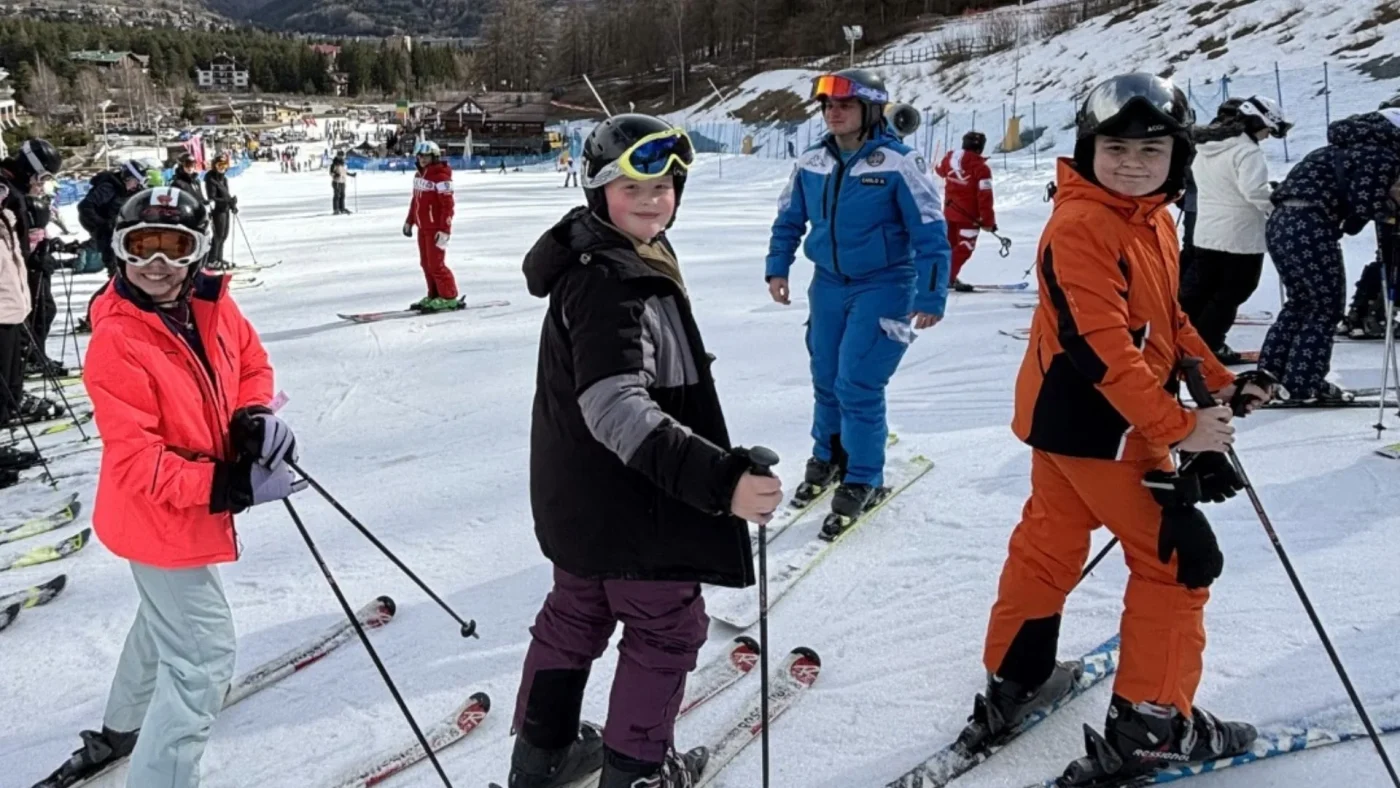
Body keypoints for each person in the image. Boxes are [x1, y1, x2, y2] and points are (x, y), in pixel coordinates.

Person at [962, 73, 1277, 786]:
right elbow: (1105, 346)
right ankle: (1154, 728)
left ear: (1178, 157)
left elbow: (1166, 325)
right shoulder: (1082, 227)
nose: (1133, 161)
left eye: (1152, 148)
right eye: (1116, 147)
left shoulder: (1150, 218)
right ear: (1087, 148)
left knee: (1050, 541)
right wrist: (1179, 426)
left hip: (1067, 423)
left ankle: (1017, 678)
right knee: (1177, 562)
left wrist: (1218, 379)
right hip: (1104, 428)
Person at [510, 113, 781, 788]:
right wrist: (723, 482)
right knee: (666, 632)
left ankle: (539, 761)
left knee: (574, 617)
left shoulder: (598, 258)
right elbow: (615, 406)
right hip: (639, 511)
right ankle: (634, 774)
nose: (653, 198)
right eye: (633, 184)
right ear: (599, 189)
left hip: (579, 502)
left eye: (665, 184)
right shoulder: (615, 281)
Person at [33, 186, 306, 788]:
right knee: (203, 659)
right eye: (141, 248)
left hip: (177, 516)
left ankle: (123, 724)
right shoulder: (117, 340)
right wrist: (226, 485)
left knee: (164, 621)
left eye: (174, 247)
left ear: (197, 252)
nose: (157, 264)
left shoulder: (212, 305)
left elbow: (251, 363)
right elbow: (137, 461)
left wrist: (252, 415)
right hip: (156, 515)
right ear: (119, 252)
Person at [764, 68, 951, 531]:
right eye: (828, 106)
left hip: (885, 284)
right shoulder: (812, 161)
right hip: (827, 284)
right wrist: (778, 265)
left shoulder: (898, 162)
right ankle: (828, 455)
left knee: (858, 383)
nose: (834, 113)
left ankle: (863, 476)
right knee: (825, 376)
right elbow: (789, 218)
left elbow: (930, 231)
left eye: (844, 106)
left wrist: (932, 293)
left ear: (870, 111)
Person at [1259, 109, 1400, 403]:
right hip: (1312, 224)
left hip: (1283, 221)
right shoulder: (1381, 155)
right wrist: (1389, 214)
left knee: (1300, 302)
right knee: (1324, 307)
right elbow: (1366, 203)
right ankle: (1304, 383)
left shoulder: (1341, 147)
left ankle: (1269, 375)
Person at [1179, 96, 1291, 365]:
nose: (1266, 137)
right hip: (1240, 237)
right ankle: (1210, 345)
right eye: (1267, 130)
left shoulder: (1208, 147)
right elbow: (1254, 191)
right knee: (1233, 292)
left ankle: (1182, 338)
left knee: (1201, 289)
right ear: (1256, 122)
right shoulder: (1247, 152)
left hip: (1207, 231)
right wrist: (1276, 205)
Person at [0, 140, 60, 479]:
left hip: (12, 300)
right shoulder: (12, 197)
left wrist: (40, 248)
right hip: (5, 303)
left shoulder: (10, 206)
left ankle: (8, 415)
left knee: (7, 378)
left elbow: (19, 249)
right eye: (43, 176)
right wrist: (35, 252)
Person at [1338, 93, 1400, 340]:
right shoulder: (1389, 149)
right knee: (1392, 260)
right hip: (1391, 210)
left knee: (1387, 259)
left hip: (1385, 210)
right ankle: (1374, 315)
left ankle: (1361, 313)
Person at [935, 130, 998, 293]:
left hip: (950, 213)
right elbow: (985, 197)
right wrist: (988, 221)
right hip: (970, 218)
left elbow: (940, 171)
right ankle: (945, 278)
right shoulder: (981, 169)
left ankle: (939, 275)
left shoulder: (949, 160)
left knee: (949, 247)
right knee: (964, 248)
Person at [402, 140, 460, 312]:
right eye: (420, 156)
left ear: (434, 157)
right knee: (426, 263)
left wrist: (444, 230)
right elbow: (416, 202)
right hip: (423, 227)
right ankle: (434, 294)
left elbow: (447, 206)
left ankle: (449, 296)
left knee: (436, 264)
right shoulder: (419, 176)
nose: (422, 159)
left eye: (426, 156)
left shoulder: (441, 177)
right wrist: (409, 221)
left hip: (436, 229)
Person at [203, 153, 237, 270]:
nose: (222, 167)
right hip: (217, 211)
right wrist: (227, 201)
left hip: (225, 210)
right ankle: (212, 260)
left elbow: (225, 194)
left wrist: (232, 204)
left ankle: (219, 258)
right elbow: (212, 197)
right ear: (214, 166)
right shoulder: (211, 178)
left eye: (224, 164)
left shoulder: (224, 179)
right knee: (218, 236)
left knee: (224, 236)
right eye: (219, 165)